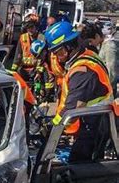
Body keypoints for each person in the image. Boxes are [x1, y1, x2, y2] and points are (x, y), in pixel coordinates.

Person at [45, 21, 113, 161]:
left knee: (79, 168)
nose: (59, 57)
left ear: (70, 46)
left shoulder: (83, 70)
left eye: (60, 52)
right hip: (94, 120)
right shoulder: (85, 56)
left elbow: (72, 109)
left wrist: (53, 126)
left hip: (93, 125)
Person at [80, 22, 117, 96]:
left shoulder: (109, 47)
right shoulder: (101, 45)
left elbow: (111, 71)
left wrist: (103, 89)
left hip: (107, 90)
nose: (90, 44)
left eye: (90, 41)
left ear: (97, 36)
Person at [12, 13, 44, 80]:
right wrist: (13, 70)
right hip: (23, 70)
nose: (30, 30)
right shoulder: (23, 37)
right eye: (28, 27)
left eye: (31, 27)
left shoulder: (41, 38)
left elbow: (42, 59)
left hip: (36, 70)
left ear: (36, 26)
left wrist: (38, 72)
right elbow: (18, 55)